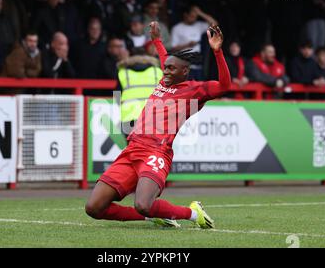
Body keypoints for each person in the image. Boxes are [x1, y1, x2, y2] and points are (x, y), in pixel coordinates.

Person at [85, 22, 231, 229]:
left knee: (143, 204)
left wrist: (217, 52)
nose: (166, 72)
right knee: (94, 208)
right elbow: (165, 59)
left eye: (171, 68)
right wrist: (157, 40)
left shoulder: (194, 90)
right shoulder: (165, 80)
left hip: (156, 151)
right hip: (132, 149)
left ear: (185, 71)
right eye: (165, 68)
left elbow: (225, 86)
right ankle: (155, 216)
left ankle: (192, 213)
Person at [171, 5, 217, 80]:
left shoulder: (198, 25)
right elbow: (173, 48)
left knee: (199, 87)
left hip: (197, 63)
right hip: (184, 63)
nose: (194, 19)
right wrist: (187, 45)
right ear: (185, 15)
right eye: (192, 16)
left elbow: (214, 24)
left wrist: (200, 13)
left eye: (196, 17)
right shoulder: (177, 28)